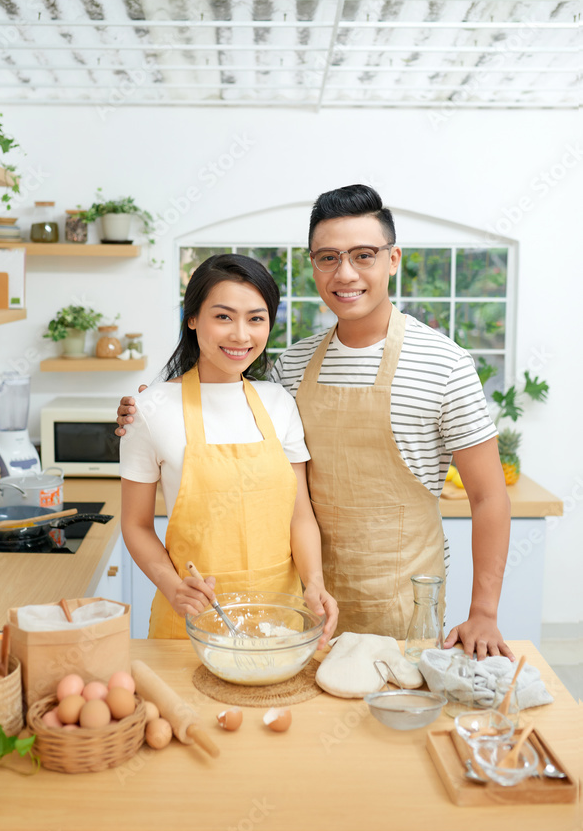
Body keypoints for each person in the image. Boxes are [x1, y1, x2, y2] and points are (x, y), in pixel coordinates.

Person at [118, 185, 513, 661]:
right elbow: (224, 396)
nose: (345, 273)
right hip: (301, 608)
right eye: (328, 257)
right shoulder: (292, 366)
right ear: (313, 265)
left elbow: (489, 497)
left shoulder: (446, 365)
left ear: (393, 259)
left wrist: (485, 612)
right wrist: (150, 406)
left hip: (401, 601)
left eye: (364, 255)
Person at [120, 252, 338, 644]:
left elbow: (299, 516)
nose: (241, 335)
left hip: (280, 619)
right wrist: (172, 587)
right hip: (191, 622)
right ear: (192, 319)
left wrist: (315, 582)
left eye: (256, 318)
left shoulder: (278, 403)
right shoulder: (150, 409)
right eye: (223, 316)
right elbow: (135, 525)